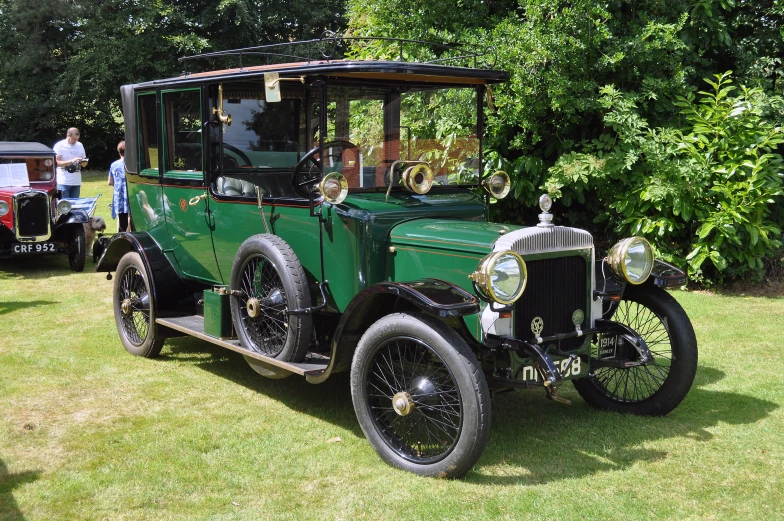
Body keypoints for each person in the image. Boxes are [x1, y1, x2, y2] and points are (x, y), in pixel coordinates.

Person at [54, 127, 86, 198]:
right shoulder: (59, 145)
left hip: (76, 181)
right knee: (64, 205)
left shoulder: (80, 145)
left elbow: (84, 163)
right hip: (63, 181)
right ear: (68, 135)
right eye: (74, 139)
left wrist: (83, 162)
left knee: (75, 205)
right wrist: (71, 161)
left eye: (77, 139)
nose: (75, 141)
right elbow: (56, 163)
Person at [108, 141, 130, 232]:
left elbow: (110, 182)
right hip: (130, 195)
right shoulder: (132, 165)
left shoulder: (114, 165)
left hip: (119, 197)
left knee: (122, 221)